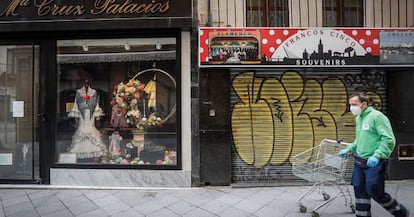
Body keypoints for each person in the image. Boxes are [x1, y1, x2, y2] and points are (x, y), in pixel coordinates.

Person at [339, 92, 409, 217]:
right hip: (359, 162)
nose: (351, 108)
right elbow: (359, 139)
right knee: (359, 191)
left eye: (354, 104)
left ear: (364, 104)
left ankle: (400, 212)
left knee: (374, 190)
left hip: (374, 163)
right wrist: (349, 149)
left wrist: (377, 155)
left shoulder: (377, 117)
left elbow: (388, 139)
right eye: (350, 105)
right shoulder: (359, 118)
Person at [68, 81, 108, 160]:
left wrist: (97, 116)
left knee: (91, 129)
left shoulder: (94, 92)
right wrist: (76, 116)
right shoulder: (78, 92)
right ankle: (80, 153)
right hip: (82, 114)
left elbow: (96, 103)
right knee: (82, 129)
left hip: (91, 113)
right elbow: (76, 103)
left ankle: (94, 152)